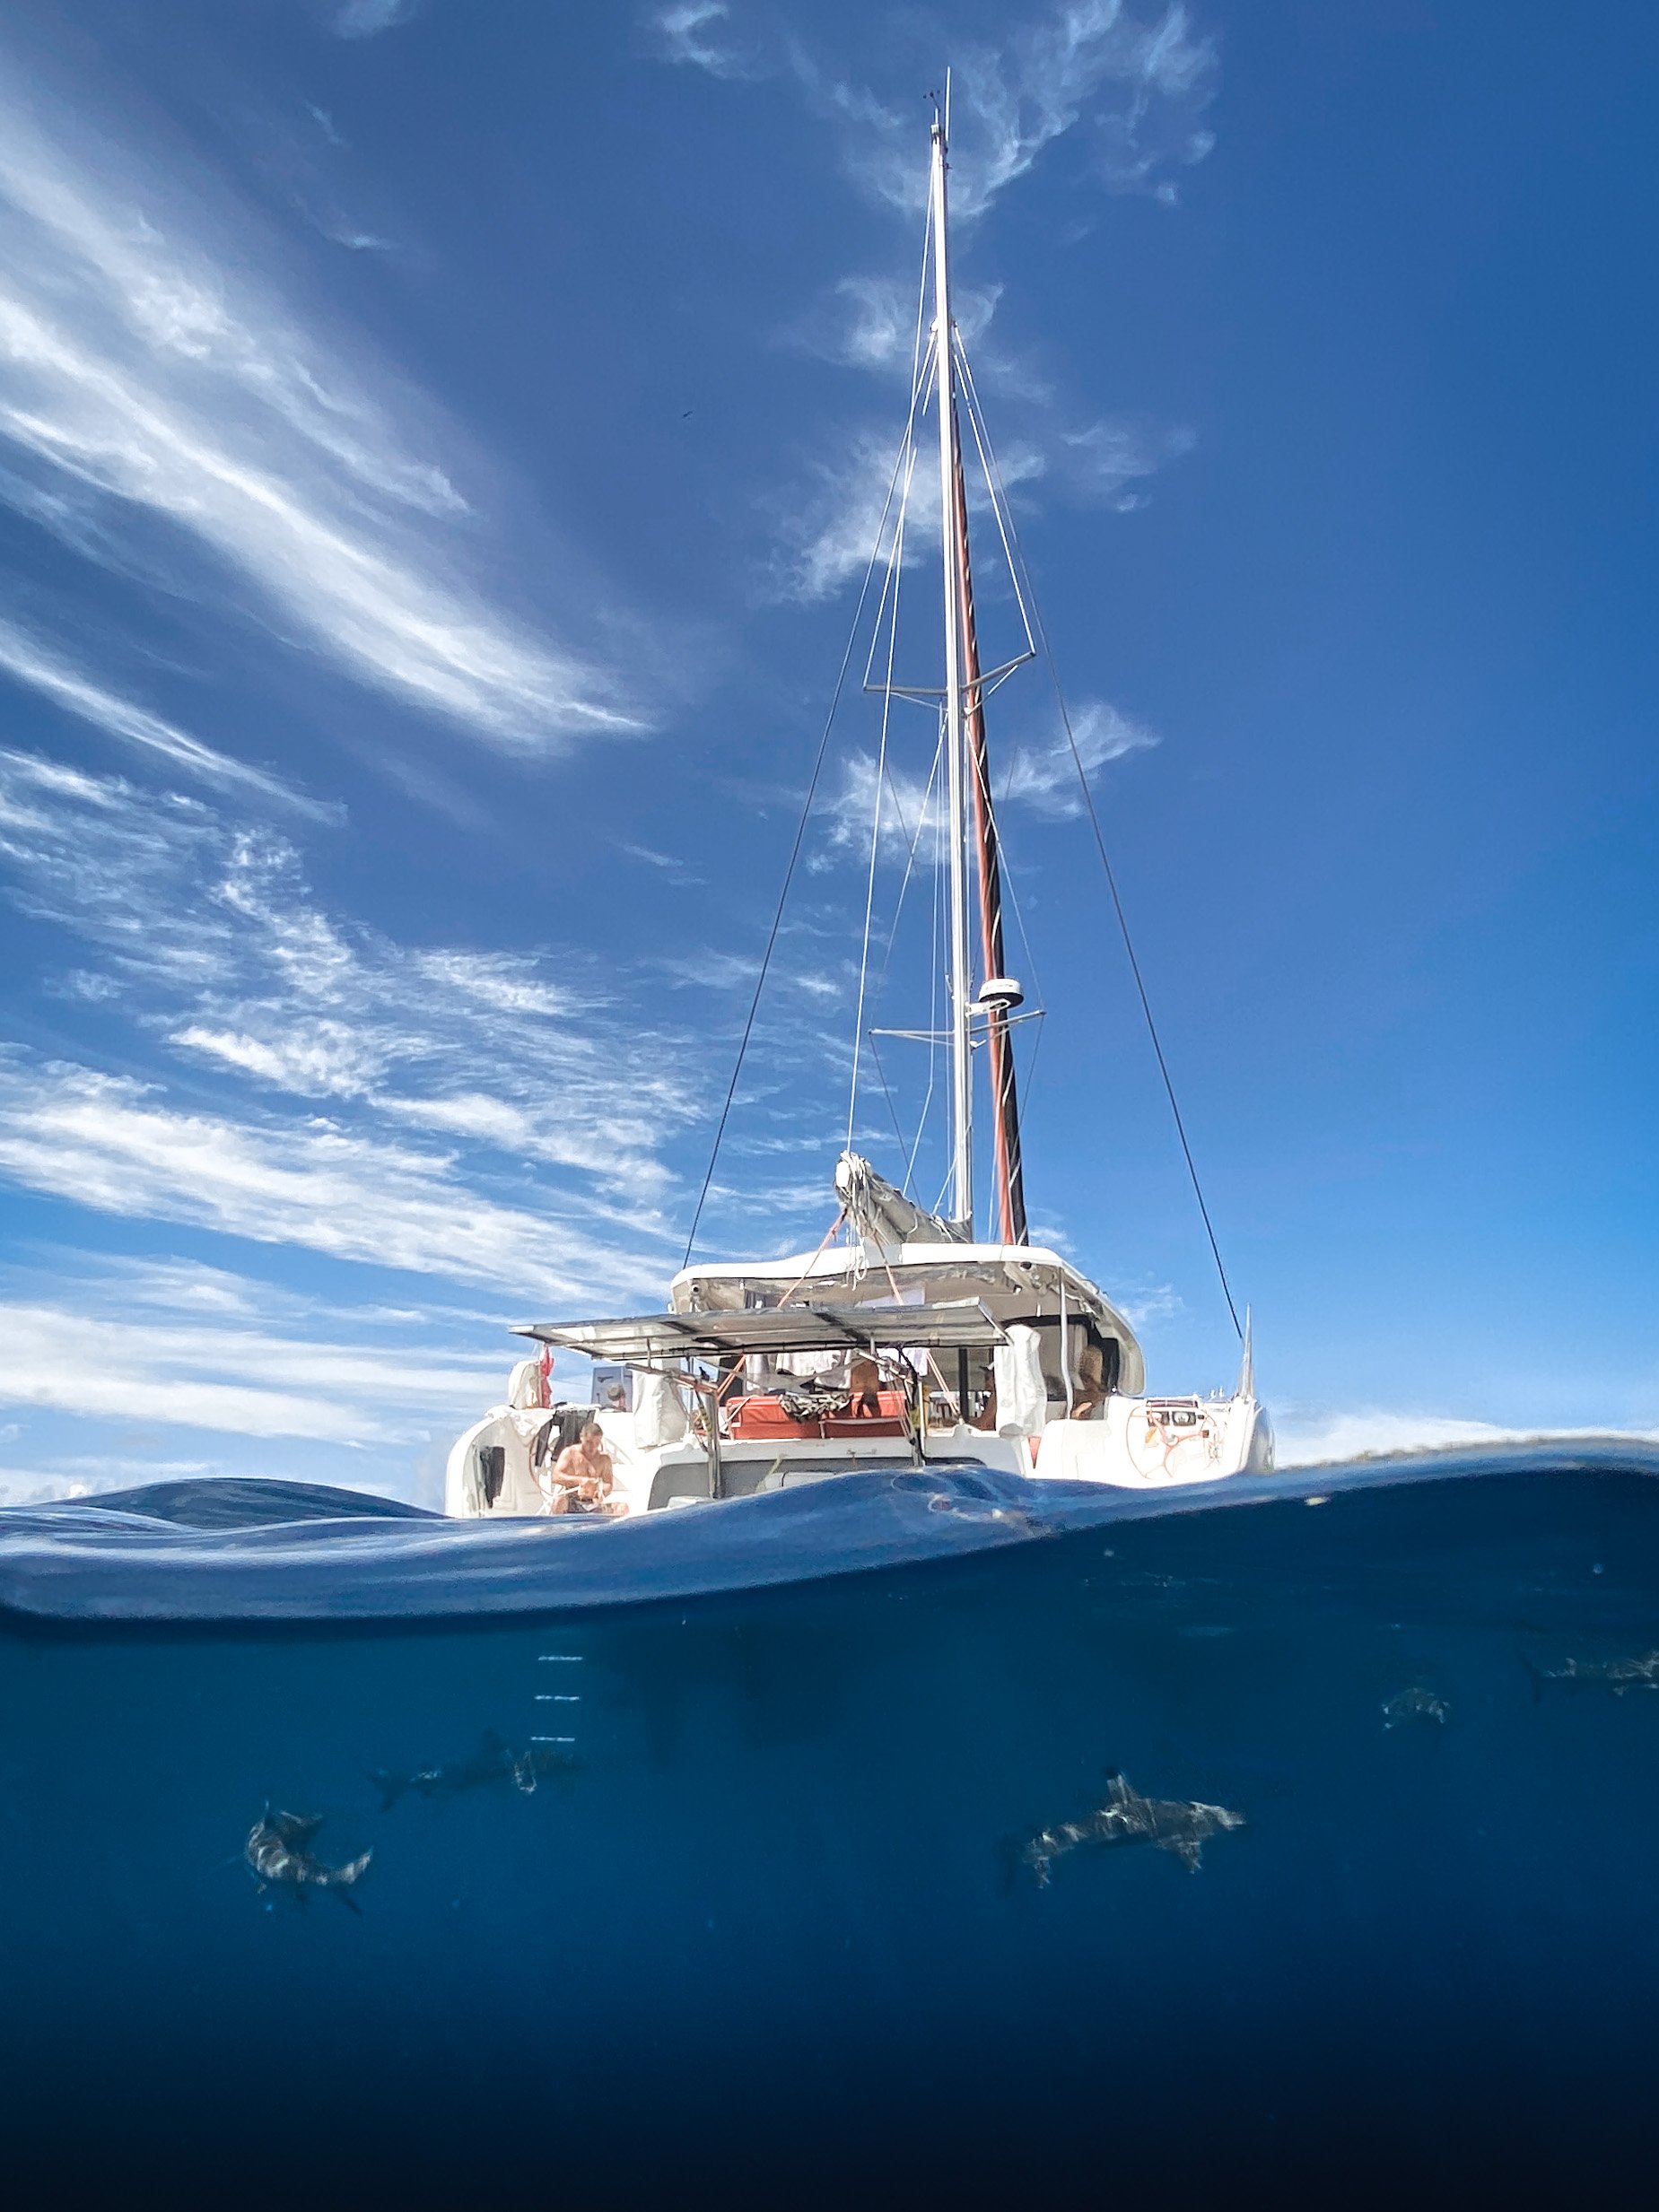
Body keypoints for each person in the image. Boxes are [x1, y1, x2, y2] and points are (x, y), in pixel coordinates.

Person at [541, 1422, 619, 1516]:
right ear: (582, 1438)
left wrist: (601, 1493)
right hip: (572, 1500)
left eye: (597, 1443)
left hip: (593, 1501)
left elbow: (608, 1483)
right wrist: (580, 1481)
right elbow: (556, 1476)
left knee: (622, 1508)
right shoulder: (570, 1453)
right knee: (559, 1501)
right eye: (589, 1442)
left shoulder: (604, 1459)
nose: (592, 1447)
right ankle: (557, 1528)